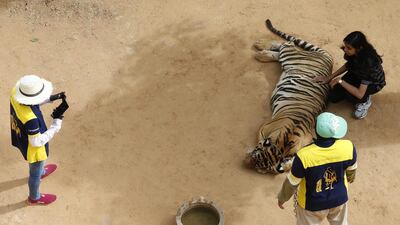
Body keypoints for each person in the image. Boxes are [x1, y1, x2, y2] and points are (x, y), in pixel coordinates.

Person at [277, 112, 357, 225]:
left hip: (311, 205)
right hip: (339, 199)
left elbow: (292, 183)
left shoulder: (303, 155)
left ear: (315, 131)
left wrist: (282, 198)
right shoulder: (348, 147)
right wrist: (350, 178)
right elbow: (351, 170)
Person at [10, 74, 68, 205]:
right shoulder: (31, 121)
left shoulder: (15, 93)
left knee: (37, 169)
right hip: (34, 150)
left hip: (22, 137)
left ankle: (41, 171)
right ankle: (34, 198)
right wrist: (56, 125)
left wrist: (51, 98)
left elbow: (31, 100)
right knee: (34, 174)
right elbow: (36, 142)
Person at [314, 31, 386, 119]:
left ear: (359, 48)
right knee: (333, 97)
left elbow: (359, 94)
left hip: (373, 84)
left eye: (348, 48)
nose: (345, 50)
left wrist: (340, 80)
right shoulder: (355, 53)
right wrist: (329, 78)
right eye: (345, 46)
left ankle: (365, 100)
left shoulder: (367, 65)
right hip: (358, 74)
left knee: (352, 97)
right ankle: (354, 89)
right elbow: (348, 65)